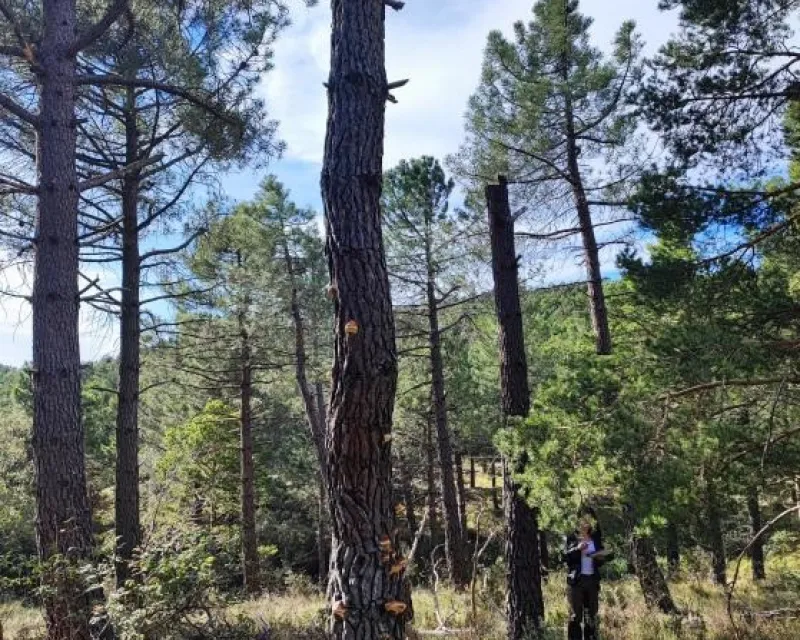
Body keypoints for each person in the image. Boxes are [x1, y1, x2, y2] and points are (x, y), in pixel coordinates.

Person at [563, 508, 611, 640]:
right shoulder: (571, 537)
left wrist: (600, 557)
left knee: (592, 616)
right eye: (583, 519)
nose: (586, 522)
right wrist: (577, 549)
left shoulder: (596, 538)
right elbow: (564, 557)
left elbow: (606, 555)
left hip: (592, 581)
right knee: (575, 617)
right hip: (576, 582)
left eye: (589, 520)